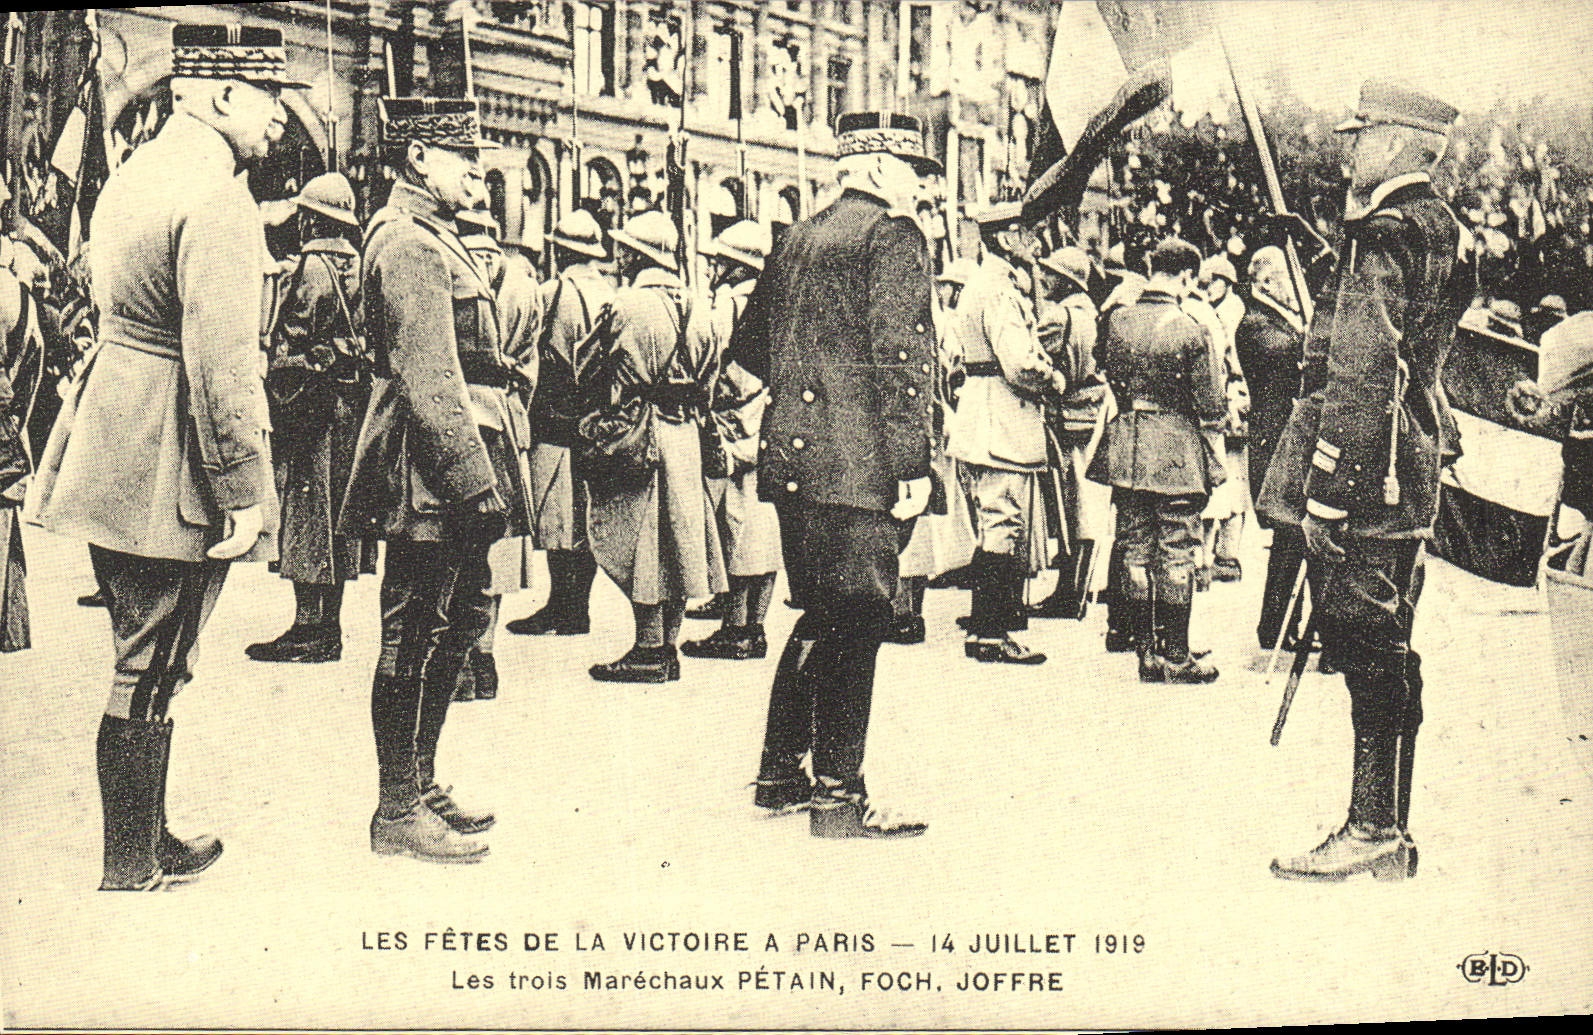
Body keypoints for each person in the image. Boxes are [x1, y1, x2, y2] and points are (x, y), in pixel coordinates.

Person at [25, 23, 304, 889]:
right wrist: (245, 490)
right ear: (222, 94)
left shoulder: (137, 172)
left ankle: (146, 838)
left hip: (111, 435)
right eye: (268, 103)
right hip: (168, 454)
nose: (278, 125)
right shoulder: (217, 197)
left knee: (138, 649)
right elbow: (221, 366)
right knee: (153, 660)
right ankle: (131, 861)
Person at [1259, 81, 1465, 881]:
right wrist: (1318, 250)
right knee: (1391, 641)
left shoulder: (1379, 233)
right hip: (1410, 461)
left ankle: (1370, 825)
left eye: (1361, 135)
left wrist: (1325, 492)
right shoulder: (1437, 227)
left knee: (1361, 638)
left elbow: (1364, 366)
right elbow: (1412, 337)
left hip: (1365, 473)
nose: (1348, 149)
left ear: (1398, 144)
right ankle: (1390, 830)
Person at [731, 111, 938, 837]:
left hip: (792, 463)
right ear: (881, 169)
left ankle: (779, 772)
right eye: (916, 173)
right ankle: (838, 796)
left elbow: (748, 351)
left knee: (821, 612)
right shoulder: (893, 236)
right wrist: (914, 466)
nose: (920, 189)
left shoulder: (792, 237)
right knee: (860, 620)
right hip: (861, 468)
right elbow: (901, 365)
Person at [339, 96, 534, 864]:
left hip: (450, 457)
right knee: (412, 625)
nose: (476, 179)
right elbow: (428, 375)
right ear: (418, 156)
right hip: (429, 466)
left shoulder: (433, 236)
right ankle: (395, 807)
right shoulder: (408, 240)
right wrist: (472, 480)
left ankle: (418, 783)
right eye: (464, 162)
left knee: (453, 617)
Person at [583, 210, 726, 682]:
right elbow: (711, 379)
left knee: (642, 537)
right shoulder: (701, 308)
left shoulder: (627, 305)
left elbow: (595, 370)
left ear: (636, 254)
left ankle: (647, 647)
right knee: (682, 537)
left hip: (640, 431)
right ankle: (667, 646)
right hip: (687, 434)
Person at [248, 172, 376, 664]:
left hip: (312, 408)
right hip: (352, 407)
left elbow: (293, 335)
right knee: (340, 515)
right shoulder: (359, 266)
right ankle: (332, 625)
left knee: (307, 510)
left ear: (309, 217)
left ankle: (309, 628)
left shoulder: (309, 267)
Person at [1088, 237, 1226, 684]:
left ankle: (1146, 655)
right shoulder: (1190, 327)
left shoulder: (1117, 320)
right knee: (1176, 549)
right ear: (1186, 276)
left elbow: (1102, 368)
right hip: (1176, 452)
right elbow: (1212, 402)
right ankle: (1177, 654)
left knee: (1134, 548)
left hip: (1126, 445)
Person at [944, 217, 1065, 665]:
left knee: (994, 523)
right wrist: (1053, 377)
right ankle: (993, 633)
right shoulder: (1000, 289)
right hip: (1002, 416)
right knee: (1002, 526)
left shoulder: (984, 282)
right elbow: (1019, 363)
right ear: (1010, 238)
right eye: (1030, 235)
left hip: (983, 409)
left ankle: (988, 628)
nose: (1037, 243)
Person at [505, 209, 614, 637]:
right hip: (598, 419)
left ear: (561, 249)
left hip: (553, 417)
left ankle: (560, 605)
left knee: (556, 514)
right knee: (586, 513)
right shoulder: (612, 294)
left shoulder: (550, 292)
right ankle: (577, 607)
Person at [681, 220, 783, 662]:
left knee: (736, 525)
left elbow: (708, 364)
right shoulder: (784, 302)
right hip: (773, 420)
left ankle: (736, 627)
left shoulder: (728, 307)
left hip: (735, 421)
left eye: (720, 261)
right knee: (764, 526)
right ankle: (754, 626)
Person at [454, 208, 540, 702]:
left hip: (461, 413)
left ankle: (459, 659)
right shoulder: (525, 282)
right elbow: (529, 366)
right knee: (501, 539)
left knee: (455, 537)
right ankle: (485, 654)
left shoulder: (448, 265)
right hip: (507, 417)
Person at [1234, 246, 1309, 654]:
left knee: (1292, 536)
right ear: (1266, 282)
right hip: (1275, 440)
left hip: (1285, 439)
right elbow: (1282, 353)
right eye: (1286, 281)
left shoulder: (1280, 320)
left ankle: (1279, 623)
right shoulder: (1256, 322)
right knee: (1289, 531)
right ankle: (1277, 624)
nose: (1293, 291)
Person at [1030, 245, 1109, 620]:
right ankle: (1075, 590)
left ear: (1064, 281)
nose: (1042, 278)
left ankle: (1069, 594)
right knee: (1084, 506)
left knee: (1069, 508)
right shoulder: (1093, 314)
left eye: (1049, 274)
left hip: (1064, 417)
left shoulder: (1058, 317)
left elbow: (1033, 359)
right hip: (1091, 416)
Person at [1197, 254, 1250, 585]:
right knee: (1228, 484)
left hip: (1232, 406)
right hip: (1231, 407)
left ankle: (1225, 555)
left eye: (1210, 282)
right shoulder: (1222, 310)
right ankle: (1224, 556)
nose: (1206, 289)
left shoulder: (1231, 314)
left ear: (1225, 282)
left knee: (1230, 484)